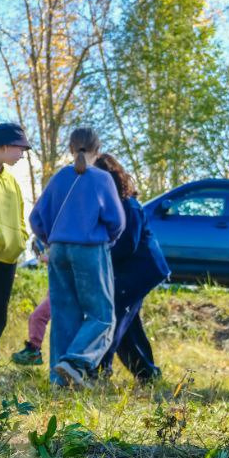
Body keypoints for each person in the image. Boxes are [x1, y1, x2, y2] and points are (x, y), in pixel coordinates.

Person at [29, 128, 125, 388]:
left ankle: (58, 383)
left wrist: (53, 240)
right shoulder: (102, 179)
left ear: (71, 149)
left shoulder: (60, 177)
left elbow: (36, 218)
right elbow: (117, 221)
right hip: (90, 249)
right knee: (103, 316)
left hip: (58, 250)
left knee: (63, 315)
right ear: (98, 148)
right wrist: (108, 240)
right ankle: (76, 361)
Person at [93, 154, 168, 382]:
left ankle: (100, 369)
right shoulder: (115, 204)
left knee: (115, 315)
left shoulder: (129, 206)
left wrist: (101, 259)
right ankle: (147, 373)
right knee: (129, 323)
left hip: (143, 269)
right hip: (131, 270)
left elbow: (128, 245)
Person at [0, 123, 32, 371]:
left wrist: (21, 237)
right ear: (3, 145)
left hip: (8, 258)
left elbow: (20, 216)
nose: (22, 154)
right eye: (20, 148)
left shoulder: (12, 180)